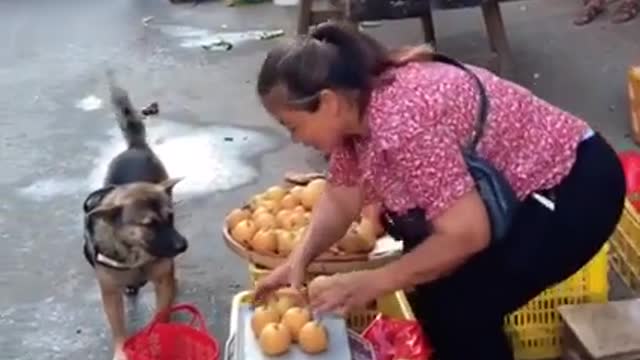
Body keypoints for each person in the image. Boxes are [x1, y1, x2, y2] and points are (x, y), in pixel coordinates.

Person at [253, 21, 625, 360]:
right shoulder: (357, 112)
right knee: (436, 292)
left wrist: (370, 282)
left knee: (464, 306)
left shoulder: (403, 122)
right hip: (518, 192)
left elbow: (467, 233)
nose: (296, 139)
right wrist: (297, 261)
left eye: (293, 126)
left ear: (328, 102)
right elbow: (341, 197)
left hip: (572, 186)